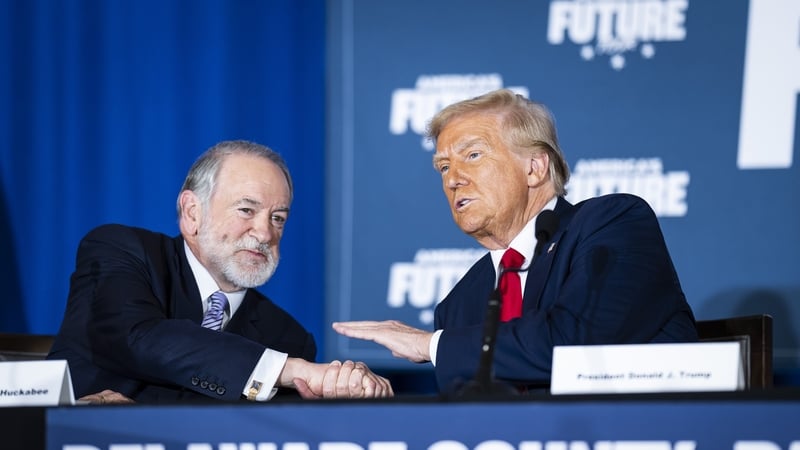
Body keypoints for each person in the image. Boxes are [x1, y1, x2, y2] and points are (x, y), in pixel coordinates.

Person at [333, 89, 698, 394]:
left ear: (534, 168)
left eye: (472, 155)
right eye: (444, 167)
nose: (453, 179)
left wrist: (430, 345)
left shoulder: (612, 225)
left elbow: (575, 344)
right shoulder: (459, 304)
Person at [48, 140, 393, 403]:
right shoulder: (121, 251)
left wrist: (343, 392)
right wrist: (289, 370)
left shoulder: (288, 337)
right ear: (192, 213)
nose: (264, 233)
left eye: (278, 218)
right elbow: (139, 338)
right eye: (246, 210)